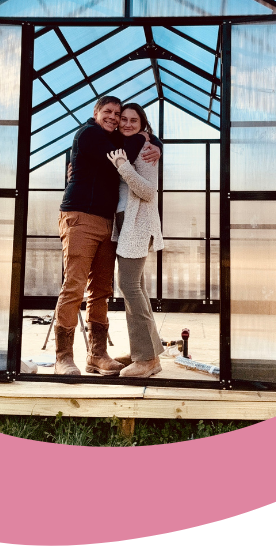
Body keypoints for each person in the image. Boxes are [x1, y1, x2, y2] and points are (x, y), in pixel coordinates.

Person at [54, 95, 162, 376]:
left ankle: (97, 354)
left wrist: (153, 142)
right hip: (80, 216)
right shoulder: (90, 133)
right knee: (74, 286)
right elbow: (127, 147)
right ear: (96, 112)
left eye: (119, 114)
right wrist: (149, 138)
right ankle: (63, 357)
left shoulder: (113, 141)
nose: (115, 118)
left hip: (108, 222)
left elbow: (127, 151)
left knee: (101, 289)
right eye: (110, 112)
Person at [106, 103, 165, 378]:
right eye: (124, 119)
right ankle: (143, 352)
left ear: (143, 124)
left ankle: (148, 359)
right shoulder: (124, 145)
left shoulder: (143, 149)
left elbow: (148, 191)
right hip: (125, 223)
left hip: (138, 225)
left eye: (134, 120)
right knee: (135, 287)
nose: (128, 123)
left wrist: (122, 166)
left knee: (128, 286)